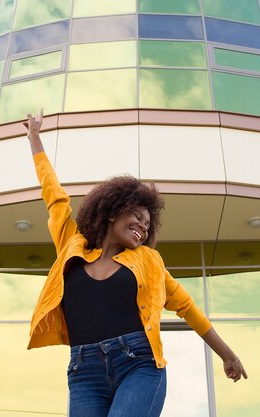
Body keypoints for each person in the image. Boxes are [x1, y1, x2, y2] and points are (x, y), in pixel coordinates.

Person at [24, 110, 247, 417]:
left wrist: (228, 355)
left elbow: (189, 309)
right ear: (113, 212)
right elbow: (54, 196)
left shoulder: (149, 261)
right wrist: (34, 137)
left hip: (138, 364)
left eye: (147, 225)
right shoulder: (72, 245)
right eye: (138, 218)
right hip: (83, 370)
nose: (143, 227)